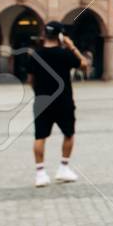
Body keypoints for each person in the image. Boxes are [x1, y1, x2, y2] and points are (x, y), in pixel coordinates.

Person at [29, 20, 88, 187]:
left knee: (40, 136)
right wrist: (72, 46)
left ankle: (40, 173)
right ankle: (63, 168)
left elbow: (30, 79)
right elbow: (84, 65)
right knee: (68, 133)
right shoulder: (65, 54)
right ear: (60, 36)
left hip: (41, 101)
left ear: (44, 34)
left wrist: (39, 92)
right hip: (64, 101)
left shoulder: (35, 55)